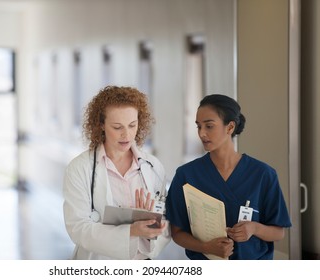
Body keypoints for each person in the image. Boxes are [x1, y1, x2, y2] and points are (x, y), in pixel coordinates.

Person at [165, 94, 292, 260]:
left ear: (230, 127)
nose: (202, 133)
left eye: (209, 126)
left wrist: (254, 228)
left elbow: (278, 232)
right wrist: (206, 247)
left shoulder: (263, 174)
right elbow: (177, 232)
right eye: (198, 126)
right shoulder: (186, 175)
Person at [63, 85, 170, 260]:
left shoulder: (153, 167)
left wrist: (151, 228)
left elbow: (165, 220)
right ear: (101, 125)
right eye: (117, 127)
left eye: (132, 125)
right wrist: (131, 231)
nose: (126, 134)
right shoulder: (79, 169)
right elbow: (78, 227)